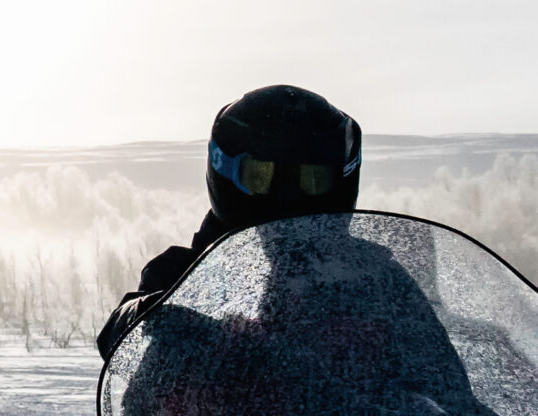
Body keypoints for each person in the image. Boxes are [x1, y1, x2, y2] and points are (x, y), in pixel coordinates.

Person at [94, 84, 362, 361]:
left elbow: (409, 365)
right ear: (225, 171)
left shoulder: (373, 278)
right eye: (259, 175)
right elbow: (116, 334)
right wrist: (155, 315)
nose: (285, 194)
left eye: (312, 179)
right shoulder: (182, 271)